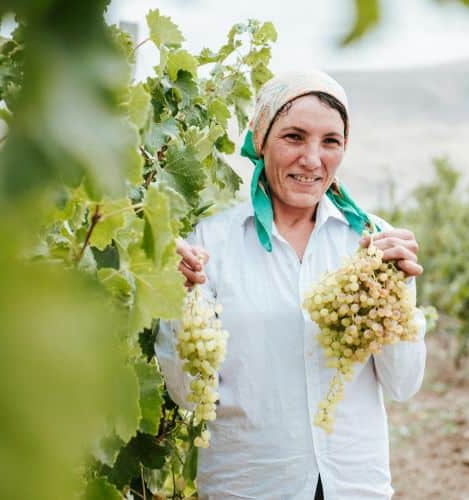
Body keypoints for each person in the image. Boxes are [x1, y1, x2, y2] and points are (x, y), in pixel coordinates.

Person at [155, 70, 427, 500]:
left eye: (330, 142)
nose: (312, 159)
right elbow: (188, 394)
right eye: (294, 137)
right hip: (248, 486)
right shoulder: (211, 244)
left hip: (353, 485)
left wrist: (396, 298)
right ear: (261, 141)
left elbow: (402, 384)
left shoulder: (375, 243)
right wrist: (177, 299)